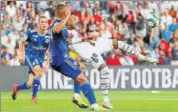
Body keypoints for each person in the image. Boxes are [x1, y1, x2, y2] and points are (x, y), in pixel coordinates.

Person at [68, 13, 159, 109]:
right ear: (66, 19)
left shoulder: (73, 30)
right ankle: (106, 100)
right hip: (89, 52)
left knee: (118, 43)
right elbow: (68, 42)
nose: (76, 20)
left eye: (76, 18)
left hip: (93, 44)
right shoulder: (63, 31)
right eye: (74, 18)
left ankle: (139, 56)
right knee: (105, 71)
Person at [49, 4, 107, 111]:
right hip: (61, 58)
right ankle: (94, 105)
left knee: (82, 69)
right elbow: (56, 30)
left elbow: (68, 42)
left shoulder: (60, 26)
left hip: (59, 58)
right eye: (67, 11)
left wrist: (84, 39)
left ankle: (77, 96)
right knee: (82, 78)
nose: (69, 13)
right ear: (63, 13)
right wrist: (66, 17)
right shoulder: (57, 23)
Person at [12, 16, 50, 103]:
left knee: (29, 84)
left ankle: (16, 88)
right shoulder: (31, 33)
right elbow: (21, 41)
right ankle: (34, 97)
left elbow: (49, 50)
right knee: (39, 73)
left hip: (40, 59)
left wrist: (47, 64)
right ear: (38, 23)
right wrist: (21, 55)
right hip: (31, 56)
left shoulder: (48, 36)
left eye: (45, 22)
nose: (44, 24)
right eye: (42, 22)